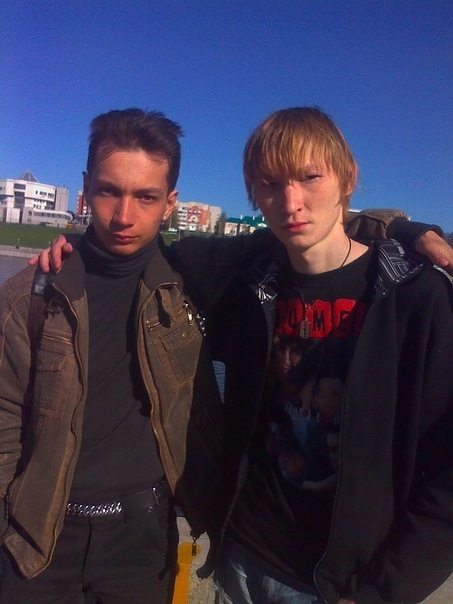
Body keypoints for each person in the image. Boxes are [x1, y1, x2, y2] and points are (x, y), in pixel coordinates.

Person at [31, 107, 453, 603]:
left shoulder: (414, 299)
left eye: (310, 177)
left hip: (342, 582)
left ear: (347, 177)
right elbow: (134, 243)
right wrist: (75, 246)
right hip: (240, 560)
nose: (291, 202)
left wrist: (383, 592)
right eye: (270, 184)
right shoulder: (247, 274)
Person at [0, 108, 225, 603]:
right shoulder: (32, 293)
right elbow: (5, 413)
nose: (124, 216)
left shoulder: (189, 287)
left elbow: (305, 243)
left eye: (146, 197)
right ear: (85, 188)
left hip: (142, 539)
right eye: (108, 191)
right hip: (37, 536)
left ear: (169, 203)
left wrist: (395, 231)